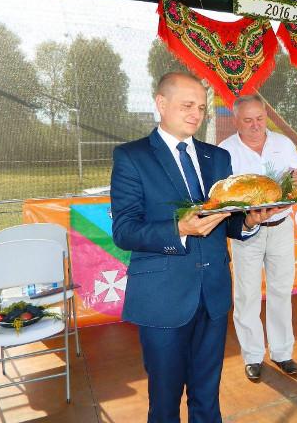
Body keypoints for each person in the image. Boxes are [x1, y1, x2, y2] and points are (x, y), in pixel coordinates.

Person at [110, 73, 282, 423]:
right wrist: (179, 229)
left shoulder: (216, 157)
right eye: (187, 105)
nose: (196, 114)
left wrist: (249, 221)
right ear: (161, 104)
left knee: (206, 398)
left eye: (202, 108)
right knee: (164, 402)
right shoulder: (132, 156)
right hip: (163, 298)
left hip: (213, 294)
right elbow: (125, 231)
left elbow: (227, 220)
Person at [219, 94, 297, 382]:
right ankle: (253, 356)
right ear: (236, 121)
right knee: (246, 295)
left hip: (282, 227)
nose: (255, 125)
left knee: (281, 291)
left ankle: (282, 353)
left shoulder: (282, 143)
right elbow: (220, 194)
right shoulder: (225, 151)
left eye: (260, 118)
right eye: (248, 120)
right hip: (246, 232)